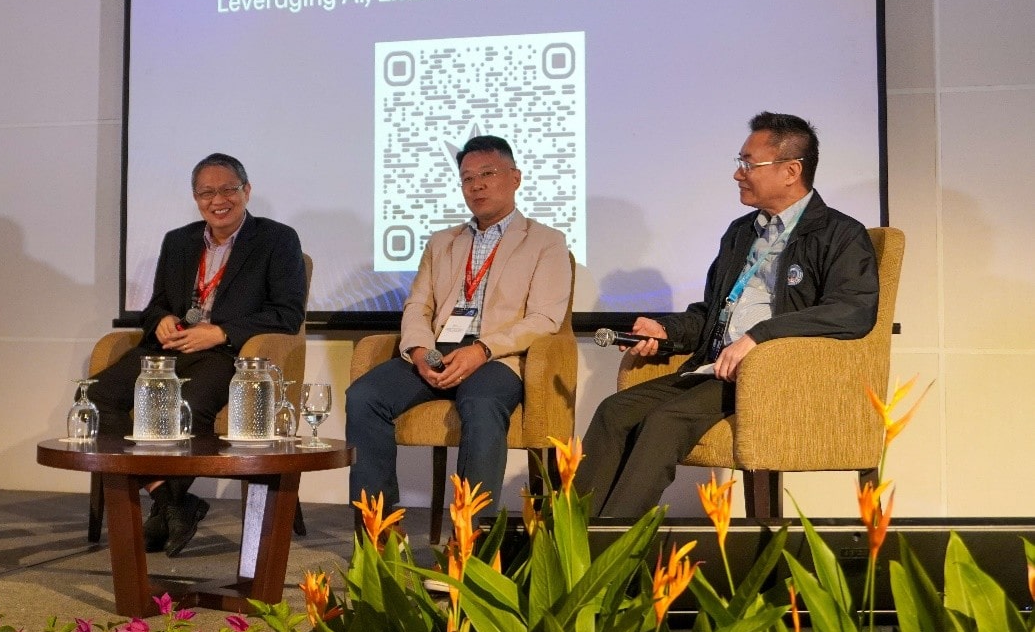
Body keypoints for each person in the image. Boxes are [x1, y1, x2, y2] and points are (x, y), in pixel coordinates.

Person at [577, 112, 880, 517]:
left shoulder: (839, 234)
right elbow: (711, 312)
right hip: (714, 368)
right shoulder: (742, 232)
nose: (739, 174)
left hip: (771, 376)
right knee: (613, 412)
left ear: (791, 171)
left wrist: (761, 336)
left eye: (748, 164)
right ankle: (572, 544)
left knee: (665, 422)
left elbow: (852, 310)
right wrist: (665, 330)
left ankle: (613, 556)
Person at [88, 153, 307, 557]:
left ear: (247, 191)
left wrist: (220, 332)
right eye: (207, 192)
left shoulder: (277, 239)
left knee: (186, 405)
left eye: (228, 189)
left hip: (229, 356)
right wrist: (162, 320)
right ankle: (170, 501)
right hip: (167, 352)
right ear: (195, 198)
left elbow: (287, 314)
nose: (218, 199)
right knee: (97, 398)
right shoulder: (179, 240)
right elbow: (153, 305)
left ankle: (168, 507)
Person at [346, 135, 573, 521]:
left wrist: (481, 349)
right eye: (467, 178)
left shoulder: (546, 242)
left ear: (515, 178)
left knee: (481, 404)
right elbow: (418, 305)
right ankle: (379, 532)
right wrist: (419, 351)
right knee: (364, 396)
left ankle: (470, 539)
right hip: (438, 350)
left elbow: (545, 319)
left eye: (488, 174)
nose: (477, 185)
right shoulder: (441, 243)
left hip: (499, 356)